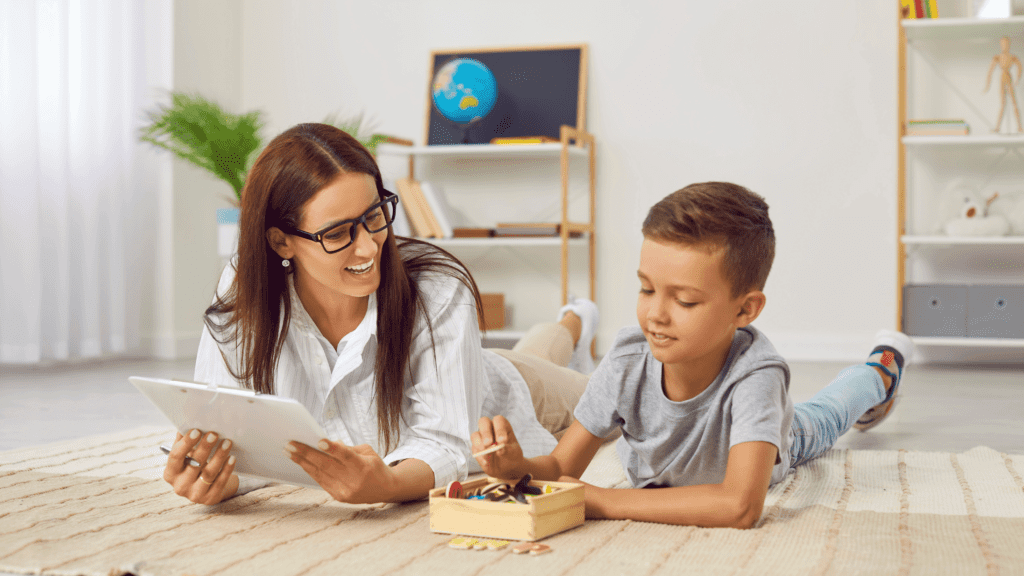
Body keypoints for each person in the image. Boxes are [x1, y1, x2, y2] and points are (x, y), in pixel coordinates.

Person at [161, 123, 599, 505]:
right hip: (480, 361)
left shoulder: (439, 291)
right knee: (537, 350)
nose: (369, 246)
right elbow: (226, 426)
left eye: (374, 216)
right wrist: (219, 477)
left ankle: (575, 321)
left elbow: (446, 444)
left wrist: (387, 485)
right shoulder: (246, 289)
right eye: (337, 233)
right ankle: (570, 323)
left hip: (509, 388)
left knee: (606, 396)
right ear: (280, 243)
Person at [472, 182, 914, 529]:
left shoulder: (757, 375)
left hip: (781, 439)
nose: (655, 315)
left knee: (828, 414)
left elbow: (740, 506)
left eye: (684, 301)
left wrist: (604, 500)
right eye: (646, 289)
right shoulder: (629, 358)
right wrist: (518, 467)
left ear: (745, 309)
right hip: (664, 464)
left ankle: (881, 368)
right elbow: (560, 468)